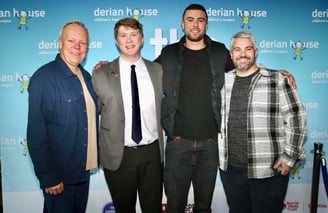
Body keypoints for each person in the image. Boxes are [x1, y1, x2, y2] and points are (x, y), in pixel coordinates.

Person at [218, 30, 307, 213]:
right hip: (231, 171)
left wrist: (289, 158)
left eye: (248, 49)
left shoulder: (277, 80)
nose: (243, 54)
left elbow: (297, 118)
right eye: (237, 49)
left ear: (256, 52)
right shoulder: (222, 82)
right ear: (231, 54)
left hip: (268, 170)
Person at [92, 18, 164, 213]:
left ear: (142, 39)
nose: (129, 40)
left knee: (153, 209)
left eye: (133, 35)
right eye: (123, 35)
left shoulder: (157, 70)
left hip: (152, 154)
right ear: (116, 41)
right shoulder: (101, 74)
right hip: (119, 155)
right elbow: (91, 115)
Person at [27, 20, 99, 213]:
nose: (77, 47)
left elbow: (92, 114)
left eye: (82, 43)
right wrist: (49, 177)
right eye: (71, 41)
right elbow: (36, 133)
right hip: (59, 177)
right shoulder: (44, 77)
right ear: (60, 43)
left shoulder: (86, 77)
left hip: (82, 172)